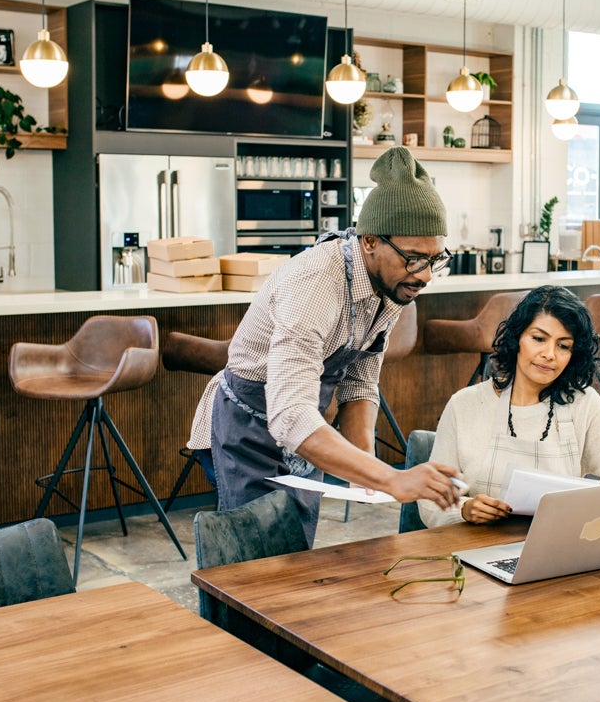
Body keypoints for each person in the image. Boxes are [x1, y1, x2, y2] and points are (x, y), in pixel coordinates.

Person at [189, 147, 460, 546]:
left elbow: (359, 383)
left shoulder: (393, 284)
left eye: (435, 260)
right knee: (255, 560)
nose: (425, 276)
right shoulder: (316, 284)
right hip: (248, 427)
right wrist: (390, 478)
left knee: (296, 549)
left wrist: (363, 465)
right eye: (414, 259)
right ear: (370, 241)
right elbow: (291, 415)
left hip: (303, 430)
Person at [419, 285, 600, 546]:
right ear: (517, 339)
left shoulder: (583, 405)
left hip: (561, 549)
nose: (549, 354)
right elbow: (430, 500)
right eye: (539, 339)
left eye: (563, 345)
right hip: (476, 554)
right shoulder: (464, 405)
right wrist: (465, 509)